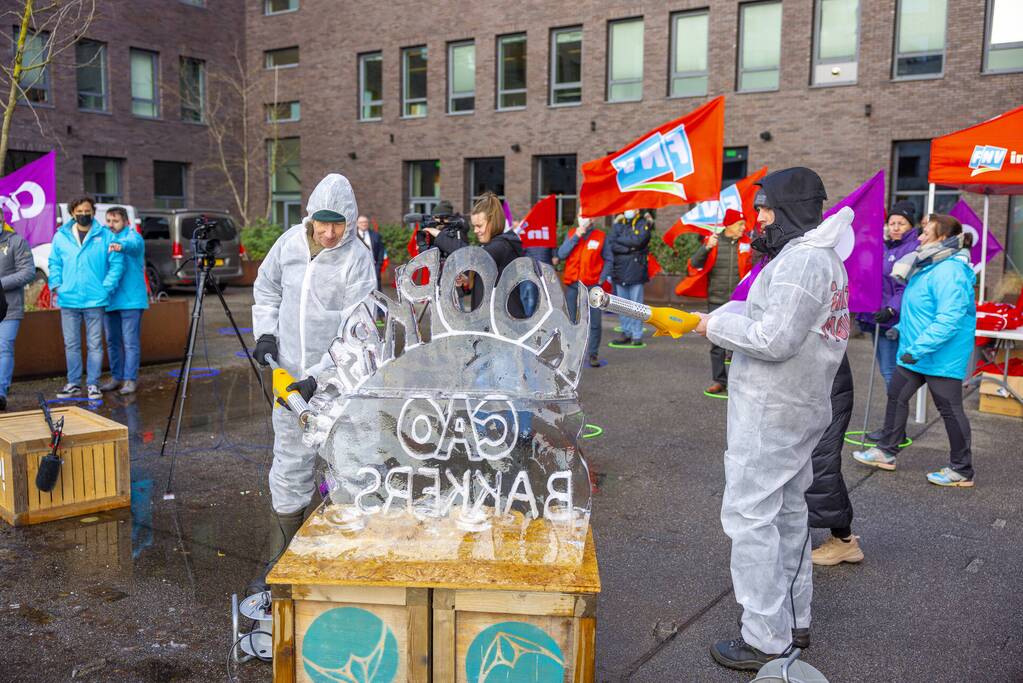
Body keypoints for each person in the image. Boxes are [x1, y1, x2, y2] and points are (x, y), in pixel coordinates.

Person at [693, 167, 850, 671]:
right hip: (796, 406)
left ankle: (764, 637)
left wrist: (715, 324)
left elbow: (773, 339)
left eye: (764, 206)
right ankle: (792, 620)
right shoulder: (817, 258)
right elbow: (777, 321)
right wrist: (733, 312)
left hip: (772, 410)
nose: (757, 216)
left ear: (789, 208)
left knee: (751, 517)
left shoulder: (804, 261)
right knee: (786, 513)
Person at [251, 173, 377, 586]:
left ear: (350, 220)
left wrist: (320, 376)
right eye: (322, 223)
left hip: (337, 383)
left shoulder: (356, 258)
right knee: (288, 462)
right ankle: (283, 561)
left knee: (346, 464)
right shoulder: (289, 243)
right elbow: (266, 290)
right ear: (309, 218)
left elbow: (358, 327)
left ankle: (343, 563)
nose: (328, 232)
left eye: (337, 223)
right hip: (288, 379)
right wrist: (266, 332)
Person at [853, 214, 977, 488]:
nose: (919, 239)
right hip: (917, 351)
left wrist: (918, 347)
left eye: (925, 234)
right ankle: (886, 452)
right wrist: (902, 331)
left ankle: (962, 469)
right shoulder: (930, 264)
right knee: (896, 395)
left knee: (950, 409)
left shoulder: (950, 271)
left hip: (939, 354)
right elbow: (920, 309)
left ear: (942, 238)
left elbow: (948, 318)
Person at [49, 196, 124, 400]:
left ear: (93, 212)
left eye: (87, 211)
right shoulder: (61, 236)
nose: (83, 215)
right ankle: (73, 383)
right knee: (71, 344)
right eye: (79, 211)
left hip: (95, 300)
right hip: (68, 299)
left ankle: (93, 384)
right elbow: (54, 263)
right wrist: (57, 286)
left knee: (95, 345)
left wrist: (105, 288)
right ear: (72, 213)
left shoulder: (106, 236)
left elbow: (116, 264)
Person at [856, 202, 920, 438]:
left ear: (910, 225)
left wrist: (892, 310)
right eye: (892, 222)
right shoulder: (882, 247)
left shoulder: (913, 248)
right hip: (876, 319)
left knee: (891, 373)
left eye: (901, 223)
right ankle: (893, 428)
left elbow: (909, 286)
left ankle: (895, 430)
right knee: (887, 373)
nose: (895, 227)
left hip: (892, 323)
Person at [677, 208, 754, 395]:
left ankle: (739, 383)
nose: (744, 227)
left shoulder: (748, 243)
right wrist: (706, 247)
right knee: (716, 342)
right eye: (740, 224)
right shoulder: (713, 241)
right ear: (729, 225)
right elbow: (694, 264)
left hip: (739, 302)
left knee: (740, 341)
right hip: (717, 299)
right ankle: (720, 381)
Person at [427, 192, 526, 318]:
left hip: (506, 326)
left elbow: (473, 256)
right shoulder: (492, 246)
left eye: (479, 226)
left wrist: (438, 234)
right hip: (494, 323)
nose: (475, 231)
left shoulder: (503, 245)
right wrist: (468, 281)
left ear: (493, 221)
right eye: (474, 226)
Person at [806, 354, 864, 566]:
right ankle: (842, 539)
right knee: (817, 462)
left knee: (819, 464)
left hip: (823, 393)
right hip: (819, 390)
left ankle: (844, 541)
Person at [99, 206, 149, 395]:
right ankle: (116, 377)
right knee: (112, 341)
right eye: (109, 221)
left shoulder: (133, 237)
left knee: (130, 342)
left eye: (116, 221)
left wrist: (121, 246)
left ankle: (130, 379)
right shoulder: (104, 237)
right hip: (110, 299)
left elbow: (132, 245)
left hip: (131, 301)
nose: (111, 225)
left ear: (126, 222)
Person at [557, 215, 606, 368]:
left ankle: (593, 354)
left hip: (593, 286)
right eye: (580, 215)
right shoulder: (572, 233)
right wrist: (577, 235)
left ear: (593, 219)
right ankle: (572, 353)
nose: (582, 218)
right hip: (573, 285)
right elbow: (561, 254)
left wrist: (602, 278)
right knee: (571, 320)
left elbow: (609, 258)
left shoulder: (601, 237)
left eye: (586, 216)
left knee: (595, 322)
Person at [0, 214, 36, 410]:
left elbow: (28, 272)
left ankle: (1, 392)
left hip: (8, 307)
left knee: (4, 347)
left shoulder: (16, 241)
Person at [605, 208, 652, 346]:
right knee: (622, 306)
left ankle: (636, 335)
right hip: (619, 270)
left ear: (637, 210)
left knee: (636, 305)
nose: (629, 210)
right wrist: (629, 248)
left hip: (636, 269)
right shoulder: (618, 225)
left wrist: (622, 242)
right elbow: (611, 243)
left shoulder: (643, 223)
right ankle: (626, 332)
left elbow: (639, 241)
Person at [355, 215, 386, 291]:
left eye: (365, 222)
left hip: (373, 266)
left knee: (376, 288)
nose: (364, 224)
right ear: (357, 224)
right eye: (361, 222)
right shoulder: (353, 236)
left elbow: (381, 251)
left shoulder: (376, 235)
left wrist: (379, 265)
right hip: (358, 267)